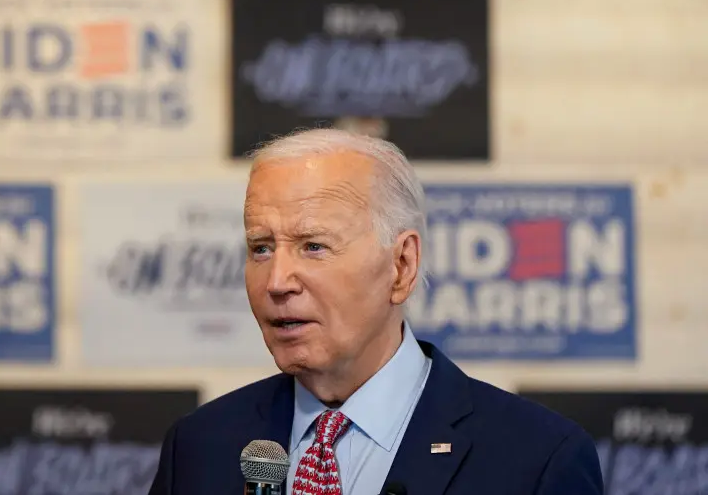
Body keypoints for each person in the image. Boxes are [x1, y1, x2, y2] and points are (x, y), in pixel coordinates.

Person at [147, 128, 603, 495]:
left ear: (401, 265)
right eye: (261, 248)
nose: (277, 281)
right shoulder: (199, 447)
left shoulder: (537, 460)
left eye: (313, 246)